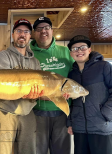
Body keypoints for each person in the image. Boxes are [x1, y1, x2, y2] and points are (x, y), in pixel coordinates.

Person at [66, 35, 112, 154]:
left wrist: (105, 114)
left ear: (89, 50)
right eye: (75, 48)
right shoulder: (71, 74)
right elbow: (71, 102)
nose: (79, 51)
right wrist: (70, 122)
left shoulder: (104, 67)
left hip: (102, 128)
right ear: (71, 53)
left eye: (83, 47)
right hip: (80, 130)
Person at [0, 18, 43, 154]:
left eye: (26, 31)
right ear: (13, 34)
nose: (22, 34)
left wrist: (35, 95)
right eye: (18, 31)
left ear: (30, 36)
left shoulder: (35, 63)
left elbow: (39, 88)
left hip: (27, 112)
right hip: (5, 111)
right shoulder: (2, 57)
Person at [29, 16, 74, 154]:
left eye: (47, 27)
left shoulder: (66, 52)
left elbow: (78, 75)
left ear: (52, 30)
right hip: (36, 113)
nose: (43, 31)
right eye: (39, 28)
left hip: (62, 113)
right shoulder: (28, 54)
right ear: (34, 33)